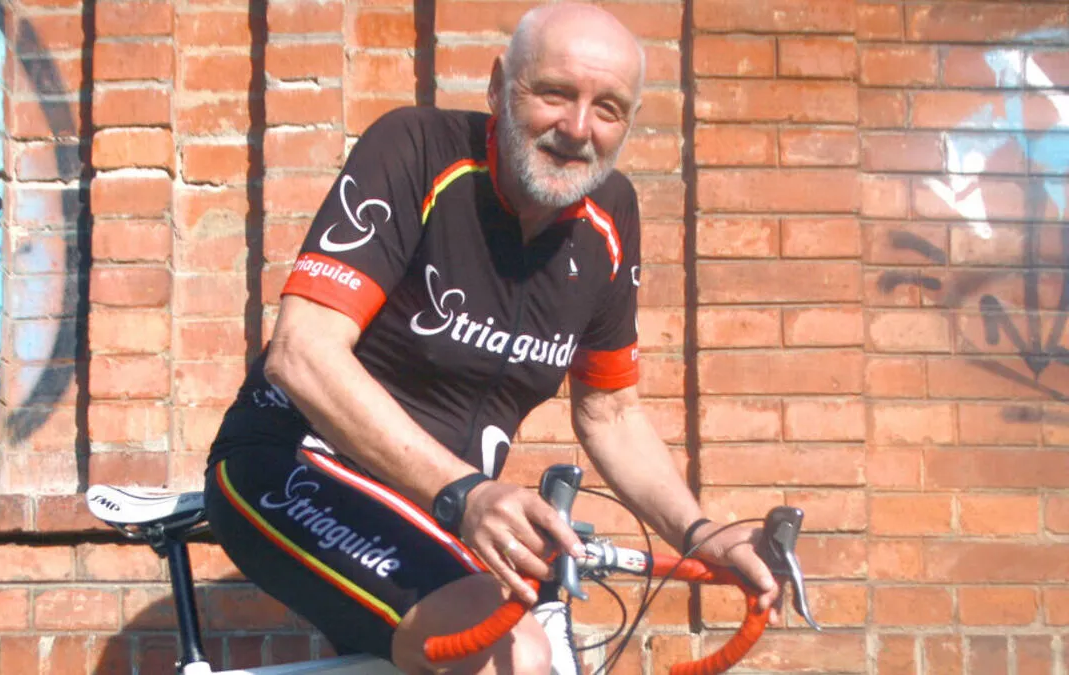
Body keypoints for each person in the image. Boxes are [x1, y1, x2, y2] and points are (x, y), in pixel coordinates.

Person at [202, 3, 780, 673]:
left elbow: (611, 413)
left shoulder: (611, 216)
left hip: (436, 505)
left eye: (608, 109)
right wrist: (466, 492)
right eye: (554, 93)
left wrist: (699, 533)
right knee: (513, 655)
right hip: (293, 463)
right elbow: (302, 352)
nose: (577, 128)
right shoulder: (416, 149)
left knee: (537, 635)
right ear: (498, 86)